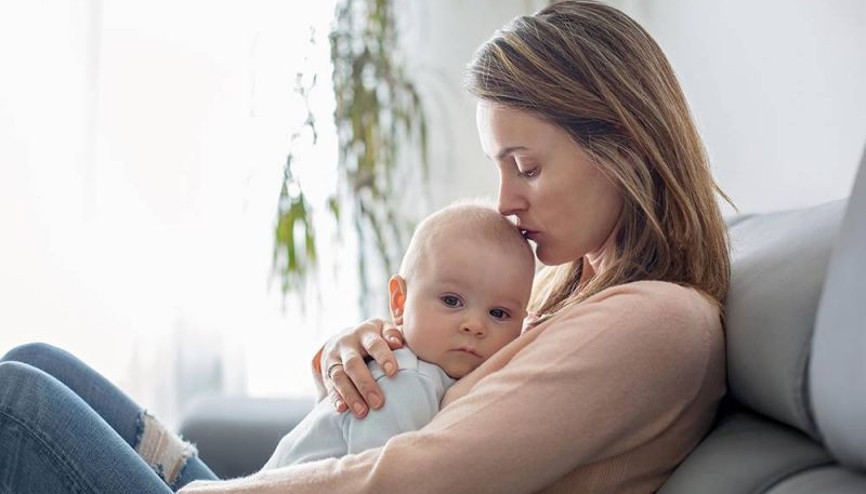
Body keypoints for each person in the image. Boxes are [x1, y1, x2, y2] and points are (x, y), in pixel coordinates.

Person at [0, 2, 731, 493]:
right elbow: (425, 408)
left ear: (624, 143)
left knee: (15, 403)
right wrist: (363, 353)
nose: (506, 200)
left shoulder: (660, 321)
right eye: (498, 168)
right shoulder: (563, 298)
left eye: (528, 166)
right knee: (37, 363)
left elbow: (421, 475)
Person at [262, 201, 535, 467]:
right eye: (452, 300)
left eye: (498, 313)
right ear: (399, 302)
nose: (475, 325)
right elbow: (378, 482)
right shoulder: (403, 380)